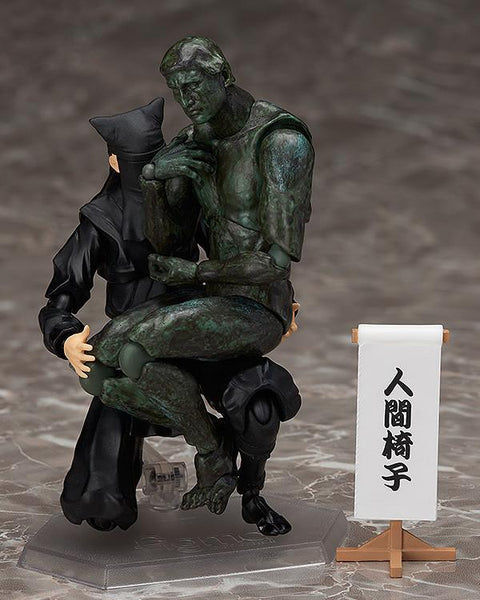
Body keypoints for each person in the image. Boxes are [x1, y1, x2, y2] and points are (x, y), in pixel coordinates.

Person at [83, 36, 314, 535]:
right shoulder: (193, 142)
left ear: (224, 76)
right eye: (178, 90)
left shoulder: (279, 141)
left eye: (195, 86)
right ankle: (213, 441)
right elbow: (171, 242)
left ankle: (211, 455)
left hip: (257, 304)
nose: (188, 100)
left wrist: (195, 275)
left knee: (134, 349)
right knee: (95, 369)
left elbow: (275, 264)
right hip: (209, 298)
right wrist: (154, 181)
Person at [39, 98, 202, 531]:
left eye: (156, 160)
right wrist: (66, 337)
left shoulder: (186, 201)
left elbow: (232, 254)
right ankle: (103, 496)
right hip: (132, 337)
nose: (151, 172)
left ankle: (245, 485)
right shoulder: (101, 220)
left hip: (193, 323)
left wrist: (273, 302)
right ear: (115, 162)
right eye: (138, 163)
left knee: (252, 394)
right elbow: (61, 295)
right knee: (113, 400)